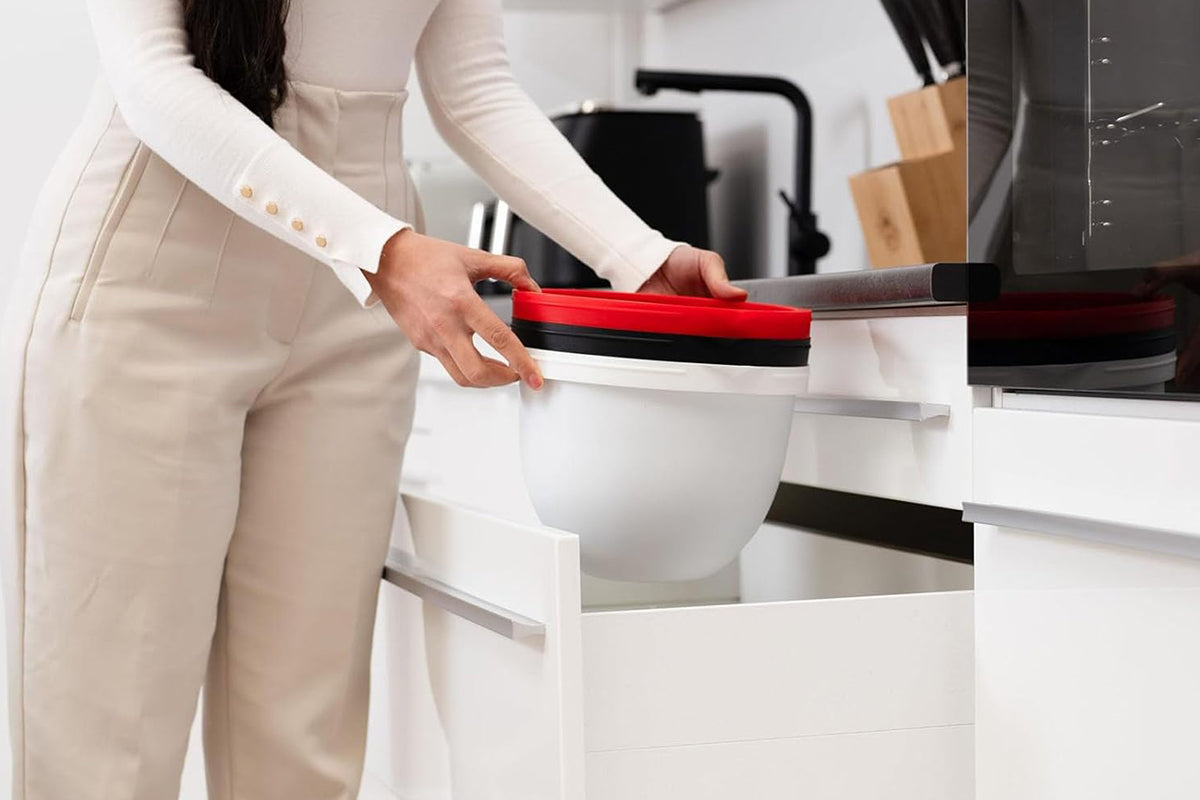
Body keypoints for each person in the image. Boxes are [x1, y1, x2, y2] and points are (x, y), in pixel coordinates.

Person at [0, 1, 745, 797]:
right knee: (107, 731)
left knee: (304, 739)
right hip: (156, 274)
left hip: (354, 293)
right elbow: (151, 77)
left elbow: (472, 88)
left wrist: (637, 254)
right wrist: (378, 249)